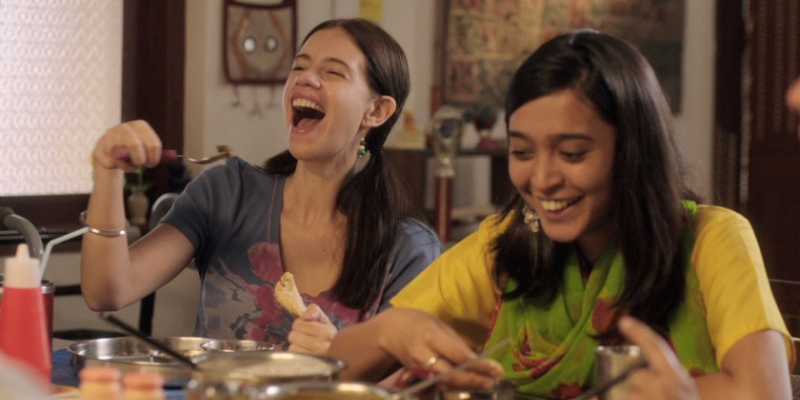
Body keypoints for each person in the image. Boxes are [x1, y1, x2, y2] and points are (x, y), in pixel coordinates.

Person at [328, 30, 794, 399]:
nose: (542, 179)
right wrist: (391, 330)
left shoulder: (713, 239)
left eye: (571, 153)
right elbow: (335, 368)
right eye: (522, 151)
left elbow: (763, 392)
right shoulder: (504, 248)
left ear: (634, 151)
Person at [81, 18, 442, 354]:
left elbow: (408, 384)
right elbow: (108, 290)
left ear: (376, 111)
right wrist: (108, 172)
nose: (305, 79)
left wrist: (342, 361)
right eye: (299, 67)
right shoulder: (227, 193)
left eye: (332, 72)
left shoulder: (409, 249)